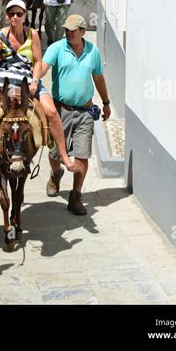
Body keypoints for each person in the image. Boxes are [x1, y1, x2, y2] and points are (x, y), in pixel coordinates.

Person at [0, 0, 77, 172]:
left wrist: (35, 81)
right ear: (7, 16)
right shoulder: (0, 34)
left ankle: (64, 155)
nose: (14, 17)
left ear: (25, 16)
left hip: (27, 78)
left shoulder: (33, 34)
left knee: (51, 112)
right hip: (4, 77)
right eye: (11, 14)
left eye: (19, 14)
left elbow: (38, 61)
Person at [40, 14, 112, 215]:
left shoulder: (92, 52)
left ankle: (76, 196)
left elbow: (98, 78)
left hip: (84, 112)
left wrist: (106, 103)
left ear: (83, 32)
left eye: (73, 30)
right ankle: (56, 174)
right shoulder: (57, 48)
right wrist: (33, 77)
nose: (68, 32)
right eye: (66, 29)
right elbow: (44, 67)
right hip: (60, 110)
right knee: (55, 153)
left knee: (82, 154)